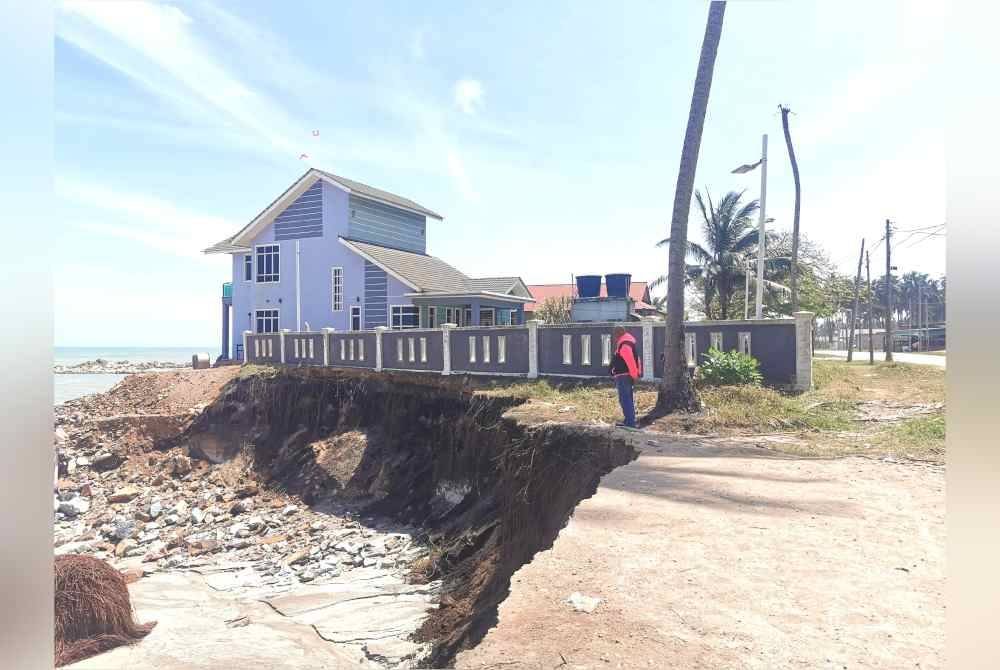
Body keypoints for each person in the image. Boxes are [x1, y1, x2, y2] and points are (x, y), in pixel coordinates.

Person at [609, 325, 640, 429]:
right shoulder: (627, 343)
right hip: (626, 375)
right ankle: (629, 421)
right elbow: (636, 360)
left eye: (615, 334)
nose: (615, 337)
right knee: (627, 398)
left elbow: (630, 361)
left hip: (624, 376)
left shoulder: (624, 344)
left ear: (619, 333)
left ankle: (630, 423)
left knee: (625, 399)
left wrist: (634, 375)